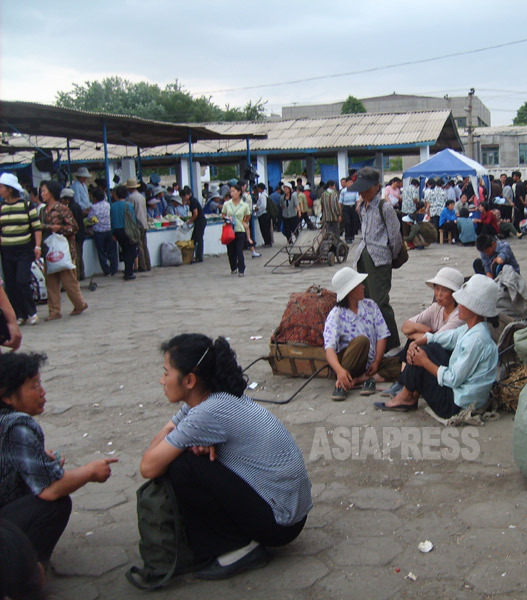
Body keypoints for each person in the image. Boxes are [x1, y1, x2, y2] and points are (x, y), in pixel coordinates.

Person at [138, 334, 312, 580]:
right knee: (184, 456)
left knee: (182, 467)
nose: (161, 380)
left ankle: (236, 550)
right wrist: (187, 442)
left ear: (189, 380)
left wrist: (183, 444)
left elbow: (148, 466)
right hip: (290, 512)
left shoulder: (207, 412)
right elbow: (160, 443)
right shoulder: (206, 400)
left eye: (166, 373)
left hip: (280, 523)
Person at [0, 352, 118, 563]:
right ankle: (26, 574)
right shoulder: (16, 426)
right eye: (34, 386)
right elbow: (50, 489)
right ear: (6, 396)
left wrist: (38, 459)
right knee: (54, 506)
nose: (43, 393)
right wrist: (91, 471)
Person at [374, 275, 499, 417]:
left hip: (456, 405)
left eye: (463, 302)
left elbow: (453, 379)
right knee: (429, 347)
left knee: (423, 359)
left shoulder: (477, 340)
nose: (459, 305)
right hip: (458, 393)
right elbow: (446, 337)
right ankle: (408, 394)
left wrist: (425, 362)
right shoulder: (470, 329)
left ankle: (406, 397)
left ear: (474, 309)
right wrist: (418, 342)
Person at [382, 267, 465, 398]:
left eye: (444, 290)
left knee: (418, 343)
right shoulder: (435, 308)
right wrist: (423, 329)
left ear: (454, 294)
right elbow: (405, 326)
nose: (439, 294)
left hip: (448, 357)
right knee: (413, 342)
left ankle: (405, 384)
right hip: (433, 345)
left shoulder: (458, 316)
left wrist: (415, 334)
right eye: (437, 289)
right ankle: (404, 382)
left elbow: (437, 339)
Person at [323, 267, 401, 401]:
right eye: (359, 284)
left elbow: (382, 335)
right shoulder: (336, 314)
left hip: (370, 363)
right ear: (350, 290)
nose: (363, 287)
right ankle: (344, 378)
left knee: (404, 364)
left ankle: (363, 379)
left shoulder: (371, 306)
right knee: (362, 341)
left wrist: (376, 362)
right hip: (350, 363)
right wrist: (339, 370)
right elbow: (329, 348)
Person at [351, 166, 403, 349]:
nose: (363, 192)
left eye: (366, 189)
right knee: (366, 303)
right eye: (361, 189)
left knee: (380, 303)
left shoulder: (385, 207)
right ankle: (375, 341)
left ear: (376, 187)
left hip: (380, 260)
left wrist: (390, 256)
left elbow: (395, 237)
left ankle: (393, 345)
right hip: (363, 256)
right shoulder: (362, 207)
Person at [39, 181, 88, 321]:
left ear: (52, 192)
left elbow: (74, 227)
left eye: (44, 191)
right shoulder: (42, 211)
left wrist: (58, 228)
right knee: (51, 282)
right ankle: (54, 311)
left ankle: (79, 303)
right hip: (48, 250)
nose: (42, 194)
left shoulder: (62, 209)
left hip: (64, 249)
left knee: (68, 281)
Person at [0, 172, 43, 326]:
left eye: (2, 187)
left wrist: (37, 246)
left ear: (10, 189)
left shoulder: (27, 205)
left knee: (22, 280)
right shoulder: (2, 207)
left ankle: (31, 311)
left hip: (24, 249)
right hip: (6, 251)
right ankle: (19, 313)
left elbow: (36, 227)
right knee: (10, 284)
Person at [222, 183, 251, 276]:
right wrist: (226, 219)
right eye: (231, 191)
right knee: (231, 251)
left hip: (240, 229)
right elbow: (223, 214)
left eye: (234, 191)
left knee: (239, 250)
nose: (232, 193)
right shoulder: (227, 204)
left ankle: (241, 269)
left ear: (239, 192)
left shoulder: (244, 205)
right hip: (230, 229)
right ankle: (233, 267)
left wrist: (244, 221)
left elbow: (248, 215)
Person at [110, 185, 138, 281]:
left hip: (117, 231)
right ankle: (129, 272)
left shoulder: (112, 206)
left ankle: (127, 270)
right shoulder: (128, 205)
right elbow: (133, 220)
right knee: (131, 251)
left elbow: (112, 221)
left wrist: (113, 233)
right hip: (127, 230)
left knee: (125, 250)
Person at [88, 185, 117, 276]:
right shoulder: (108, 205)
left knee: (101, 252)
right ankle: (114, 269)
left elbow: (90, 219)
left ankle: (106, 270)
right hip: (109, 230)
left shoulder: (93, 207)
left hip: (99, 232)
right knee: (111, 251)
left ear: (95, 198)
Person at [61, 188, 87, 281]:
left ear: (67, 199)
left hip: (76, 235)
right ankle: (81, 274)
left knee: (76, 256)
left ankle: (78, 275)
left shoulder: (71, 208)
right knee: (79, 255)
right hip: (81, 234)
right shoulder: (77, 206)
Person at [126, 179, 151, 272]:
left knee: (139, 246)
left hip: (137, 224)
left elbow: (130, 212)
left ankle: (142, 265)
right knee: (144, 245)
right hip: (144, 222)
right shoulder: (141, 196)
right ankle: (148, 264)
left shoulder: (131, 198)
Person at [181, 186, 206, 263]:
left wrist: (190, 221)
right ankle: (195, 256)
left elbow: (195, 214)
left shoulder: (193, 202)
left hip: (200, 221)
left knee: (198, 239)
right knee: (195, 239)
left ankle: (199, 256)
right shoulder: (191, 201)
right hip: (199, 221)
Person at [339, 178, 359, 244]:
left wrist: (357, 206)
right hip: (346, 207)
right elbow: (340, 202)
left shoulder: (355, 190)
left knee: (353, 222)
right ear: (346, 183)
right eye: (349, 182)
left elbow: (357, 200)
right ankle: (347, 237)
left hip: (353, 207)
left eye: (351, 182)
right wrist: (340, 211)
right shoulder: (343, 191)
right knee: (347, 222)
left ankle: (351, 236)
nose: (350, 184)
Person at [253, 183, 273, 248]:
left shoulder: (262, 196)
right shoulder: (265, 195)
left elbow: (263, 206)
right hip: (264, 214)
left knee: (264, 229)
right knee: (266, 228)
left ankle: (267, 242)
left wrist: (257, 208)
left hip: (263, 214)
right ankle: (267, 242)